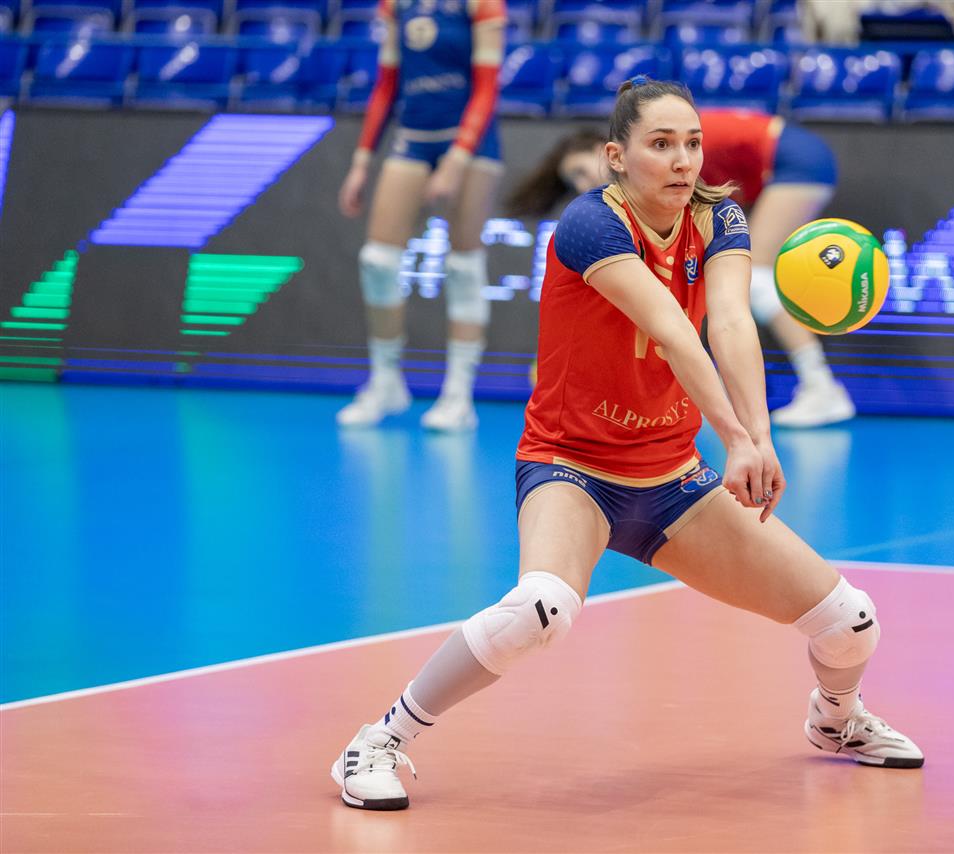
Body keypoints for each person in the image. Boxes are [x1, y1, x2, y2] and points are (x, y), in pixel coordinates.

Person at [332, 79, 922, 812]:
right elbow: (675, 332)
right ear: (616, 156)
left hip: (673, 482)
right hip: (571, 468)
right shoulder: (591, 224)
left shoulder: (721, 216)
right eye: (661, 144)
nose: (683, 161)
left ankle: (836, 720)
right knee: (540, 608)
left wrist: (759, 438)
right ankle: (378, 740)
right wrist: (735, 438)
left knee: (850, 623)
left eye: (693, 143)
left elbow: (730, 323)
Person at [508, 109, 856, 428]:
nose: (585, 185)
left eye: (582, 171)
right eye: (575, 181)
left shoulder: (663, 156)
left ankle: (821, 387)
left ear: (609, 151)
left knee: (756, 281)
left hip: (796, 160)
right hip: (791, 160)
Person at [335, 0, 507, 430]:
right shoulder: (395, 6)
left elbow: (487, 87)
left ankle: (458, 396)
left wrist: (457, 159)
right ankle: (386, 382)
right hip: (413, 138)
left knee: (464, 264)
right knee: (377, 260)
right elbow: (387, 86)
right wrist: (361, 162)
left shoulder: (483, 4)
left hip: (472, 143)